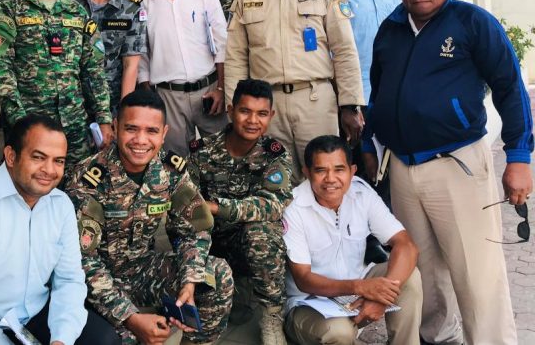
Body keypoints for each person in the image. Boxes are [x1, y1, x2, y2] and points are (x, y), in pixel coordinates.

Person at [362, 0, 533, 345]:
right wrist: (371, 141)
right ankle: (439, 338)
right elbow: (380, 90)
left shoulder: (472, 22)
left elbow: (511, 88)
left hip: (457, 163)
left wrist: (519, 156)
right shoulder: (391, 28)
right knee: (423, 269)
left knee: (476, 271)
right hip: (403, 166)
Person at [63, 90, 234, 345]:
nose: (141, 140)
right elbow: (82, 262)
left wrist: (189, 279)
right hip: (91, 286)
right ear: (116, 127)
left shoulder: (170, 170)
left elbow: (194, 229)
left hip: (142, 270)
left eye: (151, 131)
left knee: (216, 274)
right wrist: (130, 317)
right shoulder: (88, 179)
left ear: (164, 133)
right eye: (131, 129)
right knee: (125, 339)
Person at [0, 114, 120, 345]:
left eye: (58, 161)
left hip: (35, 315)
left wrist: (61, 339)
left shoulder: (60, 205)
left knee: (104, 340)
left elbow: (69, 280)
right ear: (11, 156)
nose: (49, 170)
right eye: (38, 157)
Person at [226, 0, 364, 183]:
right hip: (267, 107)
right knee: (276, 181)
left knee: (325, 177)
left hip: (315, 102)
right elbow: (235, 58)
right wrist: (236, 110)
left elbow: (344, 50)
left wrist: (350, 104)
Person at [0, 0, 112, 165]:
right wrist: (21, 122)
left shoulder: (76, 11)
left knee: (79, 191)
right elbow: (1, 69)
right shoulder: (7, 8)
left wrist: (104, 118)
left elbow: (93, 69)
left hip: (75, 127)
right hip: (30, 126)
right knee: (32, 193)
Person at [283, 136, 422, 345]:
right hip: (309, 304)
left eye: (339, 170)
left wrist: (380, 297)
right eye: (321, 171)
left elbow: (406, 245)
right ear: (307, 172)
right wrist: (361, 287)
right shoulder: (293, 208)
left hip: (355, 297)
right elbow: (304, 279)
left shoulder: (361, 193)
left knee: (409, 275)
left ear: (352, 171)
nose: (331, 179)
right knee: (339, 332)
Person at [187, 79, 293, 345]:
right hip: (209, 242)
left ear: (271, 116)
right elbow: (187, 206)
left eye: (261, 114)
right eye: (245, 111)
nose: (252, 120)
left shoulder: (274, 156)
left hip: (247, 244)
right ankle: (228, 289)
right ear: (231, 111)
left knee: (262, 231)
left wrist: (217, 206)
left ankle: (270, 316)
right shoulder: (203, 153)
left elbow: (272, 205)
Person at [138, 0, 228, 156]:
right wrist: (152, 99)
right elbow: (142, 58)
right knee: (177, 164)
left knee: (222, 158)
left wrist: (221, 88)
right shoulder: (142, 5)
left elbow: (222, 45)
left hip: (209, 93)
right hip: (168, 98)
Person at [61, 0, 147, 117]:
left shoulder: (131, 7)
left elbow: (130, 65)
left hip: (110, 105)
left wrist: (124, 113)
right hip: (68, 102)